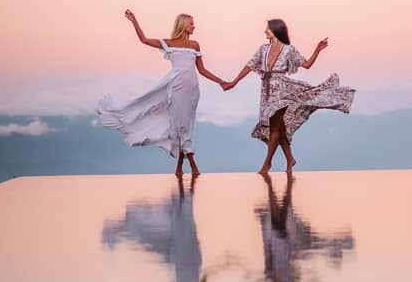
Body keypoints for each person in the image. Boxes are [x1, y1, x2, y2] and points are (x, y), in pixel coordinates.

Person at [97, 10, 224, 177]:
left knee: (186, 125)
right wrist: (134, 20)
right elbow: (144, 40)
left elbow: (202, 70)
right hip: (176, 88)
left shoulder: (195, 45)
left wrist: (221, 82)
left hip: (193, 90)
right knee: (181, 126)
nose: (194, 26)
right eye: (191, 23)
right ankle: (194, 168)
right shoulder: (169, 43)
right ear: (183, 25)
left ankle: (179, 168)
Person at [223, 18, 355, 174]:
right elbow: (249, 65)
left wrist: (317, 50)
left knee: (274, 126)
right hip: (266, 91)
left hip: (283, 91)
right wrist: (234, 81)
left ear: (276, 30)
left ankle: (267, 164)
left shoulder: (289, 50)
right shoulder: (263, 49)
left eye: (268, 29)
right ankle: (290, 159)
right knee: (280, 127)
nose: (265, 31)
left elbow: (306, 64)